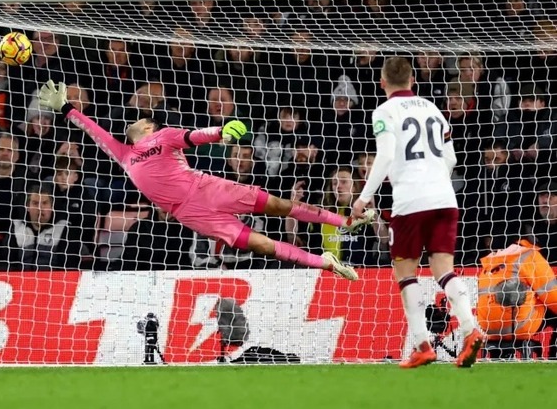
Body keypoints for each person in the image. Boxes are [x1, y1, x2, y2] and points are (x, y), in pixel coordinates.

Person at [38, 80, 374, 279]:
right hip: (191, 214)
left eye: (140, 119)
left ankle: (346, 221)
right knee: (259, 244)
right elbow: (93, 131)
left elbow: (194, 136)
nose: (133, 121)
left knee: (278, 206)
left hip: (206, 188)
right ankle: (325, 263)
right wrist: (66, 108)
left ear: (149, 127)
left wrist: (221, 132)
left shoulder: (164, 135)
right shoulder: (124, 154)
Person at [351, 57, 482, 368]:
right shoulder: (433, 109)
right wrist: (433, 179)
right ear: (413, 81)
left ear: (382, 82)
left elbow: (385, 155)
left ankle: (422, 344)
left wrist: (363, 198)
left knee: (405, 272)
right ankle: (470, 328)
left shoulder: (384, 111)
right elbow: (451, 159)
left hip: (410, 202)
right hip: (444, 198)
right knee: (444, 270)